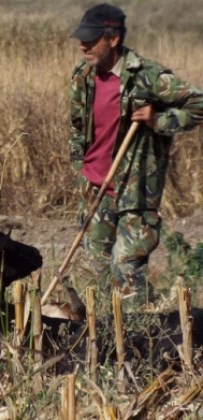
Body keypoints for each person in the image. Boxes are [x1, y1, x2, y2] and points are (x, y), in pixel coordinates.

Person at [68, 3, 203, 308]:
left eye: (91, 39)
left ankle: (139, 343)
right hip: (93, 190)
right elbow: (76, 128)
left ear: (113, 39)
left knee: (126, 270)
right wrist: (80, 169)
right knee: (100, 270)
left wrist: (159, 122)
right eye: (82, 38)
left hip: (135, 193)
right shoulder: (82, 76)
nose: (83, 45)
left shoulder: (147, 76)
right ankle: (116, 335)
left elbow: (198, 104)